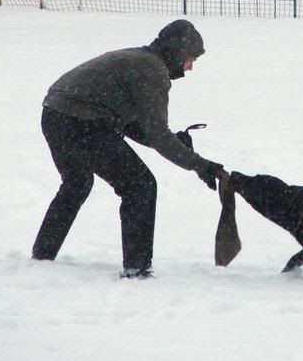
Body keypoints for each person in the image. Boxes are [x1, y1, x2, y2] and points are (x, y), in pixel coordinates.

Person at [32, 20, 223, 279]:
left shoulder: (139, 58)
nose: (190, 67)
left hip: (55, 114)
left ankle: (42, 256)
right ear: (177, 52)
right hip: (81, 121)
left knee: (77, 183)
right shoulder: (152, 70)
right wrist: (201, 165)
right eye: (190, 59)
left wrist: (177, 143)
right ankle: (137, 269)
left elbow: (134, 125)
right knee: (140, 186)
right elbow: (157, 135)